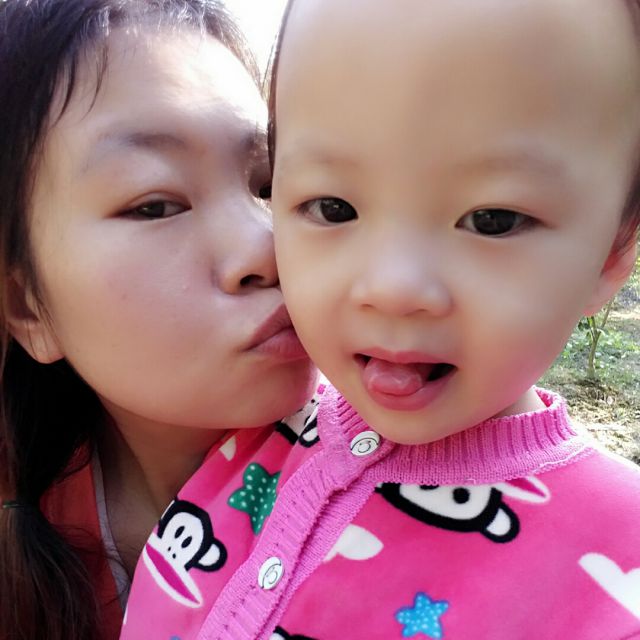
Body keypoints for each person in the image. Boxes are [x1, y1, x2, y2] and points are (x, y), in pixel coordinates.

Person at [120, 0, 640, 638]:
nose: (393, 290)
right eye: (332, 208)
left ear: (611, 255)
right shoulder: (258, 430)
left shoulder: (617, 568)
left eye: (493, 220)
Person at [0, 1, 318, 639]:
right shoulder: (29, 519)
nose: (266, 247)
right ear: (29, 307)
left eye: (268, 184)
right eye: (155, 205)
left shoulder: (425, 476)